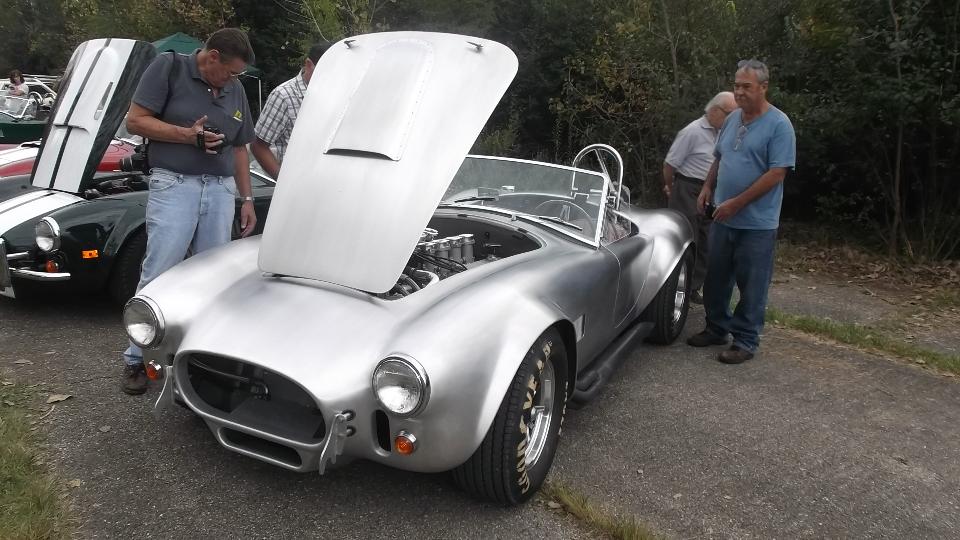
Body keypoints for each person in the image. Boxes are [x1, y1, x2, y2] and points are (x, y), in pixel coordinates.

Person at [120, 28, 258, 394]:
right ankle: (136, 358)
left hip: (220, 189)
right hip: (175, 184)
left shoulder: (235, 88)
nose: (233, 79)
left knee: (215, 278)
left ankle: (199, 360)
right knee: (160, 271)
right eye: (230, 71)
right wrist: (188, 135)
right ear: (212, 57)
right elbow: (135, 121)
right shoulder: (169, 67)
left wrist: (246, 200)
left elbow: (240, 148)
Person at [686, 59, 796, 364]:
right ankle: (716, 328)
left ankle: (745, 340)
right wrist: (707, 187)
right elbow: (720, 157)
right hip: (723, 218)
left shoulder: (779, 125)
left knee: (752, 285)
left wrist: (737, 203)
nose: (739, 92)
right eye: (736, 86)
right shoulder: (733, 118)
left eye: (746, 86)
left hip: (756, 224)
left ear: (764, 87)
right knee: (716, 277)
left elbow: (777, 173)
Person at [663, 91, 737, 303]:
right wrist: (670, 187)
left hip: (711, 190)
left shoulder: (725, 133)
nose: (732, 119)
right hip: (687, 187)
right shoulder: (692, 131)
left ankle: (693, 287)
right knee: (687, 239)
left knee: (706, 241)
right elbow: (670, 164)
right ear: (714, 110)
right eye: (729, 114)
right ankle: (674, 288)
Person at [251, 42, 331, 179]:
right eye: (326, 72)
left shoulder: (337, 93)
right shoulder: (283, 96)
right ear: (308, 64)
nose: (331, 78)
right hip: (297, 185)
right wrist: (283, 181)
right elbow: (258, 146)